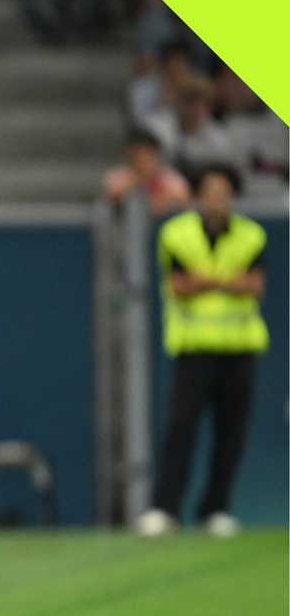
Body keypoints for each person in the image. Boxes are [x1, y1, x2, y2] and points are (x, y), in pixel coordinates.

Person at [137, 164, 267, 539]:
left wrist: (207, 281)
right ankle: (166, 508)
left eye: (223, 191)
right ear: (197, 196)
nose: (216, 199)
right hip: (192, 349)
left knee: (231, 433)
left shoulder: (251, 235)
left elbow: (254, 286)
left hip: (239, 347)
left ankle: (216, 508)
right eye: (209, 191)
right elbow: (181, 286)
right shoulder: (176, 234)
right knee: (181, 430)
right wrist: (229, 282)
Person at [102, 128, 190, 217]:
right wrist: (139, 182)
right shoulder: (117, 177)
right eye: (138, 154)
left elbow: (183, 202)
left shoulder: (172, 179)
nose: (142, 160)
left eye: (147, 154)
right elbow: (112, 197)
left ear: (156, 155)